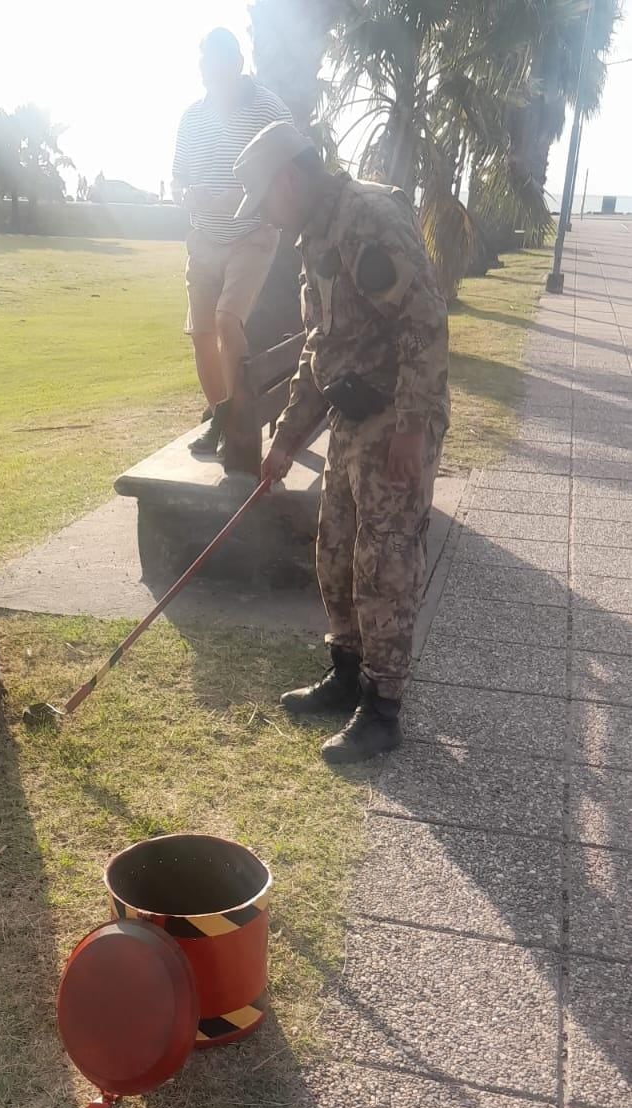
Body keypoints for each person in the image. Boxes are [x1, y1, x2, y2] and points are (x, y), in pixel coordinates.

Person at [232, 121, 450, 763]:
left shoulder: (366, 220)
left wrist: (412, 426)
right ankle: (347, 674)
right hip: (355, 416)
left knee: (384, 561)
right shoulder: (317, 234)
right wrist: (286, 440)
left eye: (265, 199)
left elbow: (425, 320)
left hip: (399, 416)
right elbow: (321, 346)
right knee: (335, 551)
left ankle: (382, 710)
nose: (266, 215)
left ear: (289, 180)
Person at [171, 28, 291, 459]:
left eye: (217, 66)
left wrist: (234, 198)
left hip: (251, 234)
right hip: (204, 237)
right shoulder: (192, 117)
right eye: (204, 67)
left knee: (226, 321)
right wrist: (185, 194)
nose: (209, 75)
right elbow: (178, 176)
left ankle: (237, 425)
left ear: (237, 65)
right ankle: (220, 414)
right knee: (201, 331)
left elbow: (286, 175)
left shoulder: (267, 108)